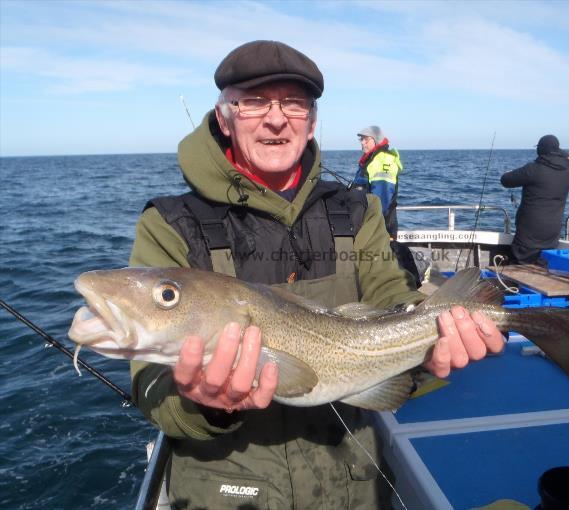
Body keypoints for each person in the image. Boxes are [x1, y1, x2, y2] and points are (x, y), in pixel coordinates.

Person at [129, 40, 504, 509]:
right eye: (254, 101)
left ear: (311, 122)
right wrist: (201, 400)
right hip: (226, 489)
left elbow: (390, 295)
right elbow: (149, 384)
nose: (276, 118)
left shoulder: (356, 209)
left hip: (354, 479)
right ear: (224, 118)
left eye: (294, 102)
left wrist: (433, 344)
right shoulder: (169, 224)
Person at [500, 134, 569, 265]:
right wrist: (558, 150)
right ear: (558, 150)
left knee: (519, 266)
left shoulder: (533, 169)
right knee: (542, 267)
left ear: (540, 150)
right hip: (552, 233)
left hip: (528, 233)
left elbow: (505, 180)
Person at [351, 126, 402, 239]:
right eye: (361, 139)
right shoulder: (370, 160)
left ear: (376, 140)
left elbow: (381, 199)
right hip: (366, 225)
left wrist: (371, 225)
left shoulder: (383, 160)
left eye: (366, 139)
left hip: (379, 228)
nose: (362, 143)